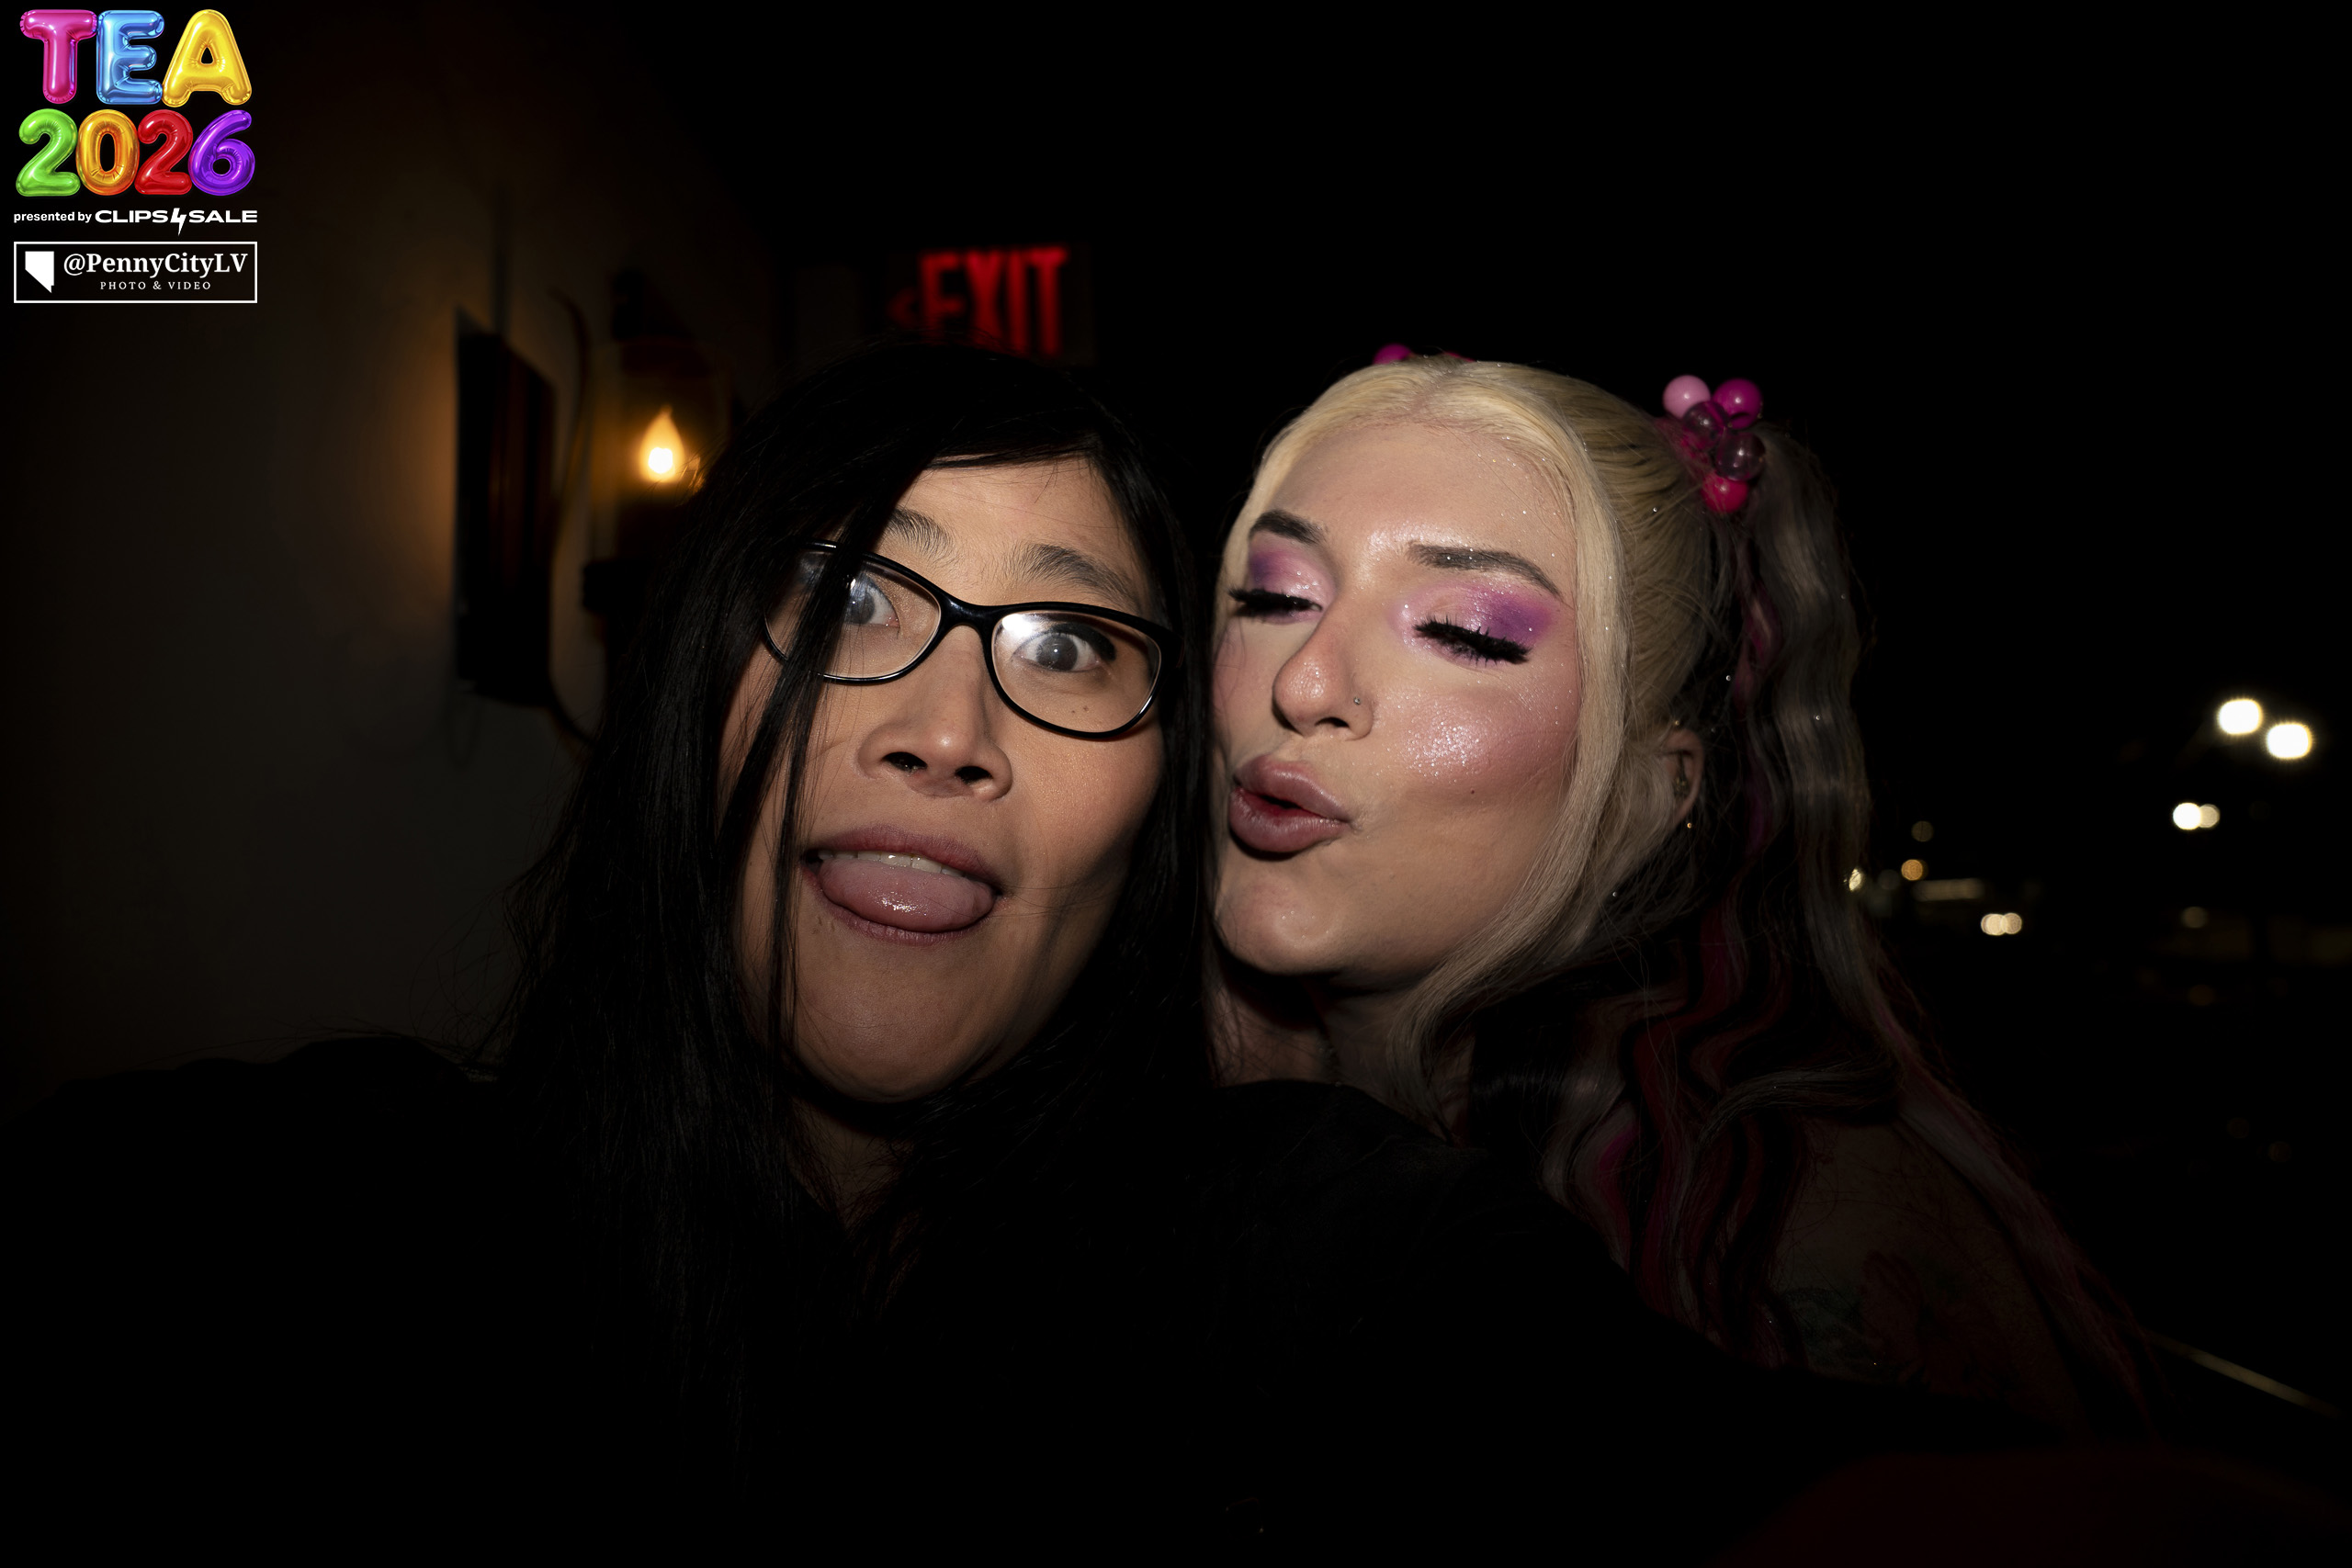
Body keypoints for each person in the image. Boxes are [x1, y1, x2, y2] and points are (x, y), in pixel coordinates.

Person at [9, 344, 1982, 1553]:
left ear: (1147, 792)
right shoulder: (333, 1211)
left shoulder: (1309, 1243)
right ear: (683, 675)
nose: (945, 727)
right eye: (849, 599)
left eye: (1066, 645)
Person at [1208, 355, 2150, 1438]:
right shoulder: (1159, 1100)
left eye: (1464, 632)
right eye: (1274, 597)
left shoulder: (1770, 1227)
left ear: (1650, 796)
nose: (1303, 683)